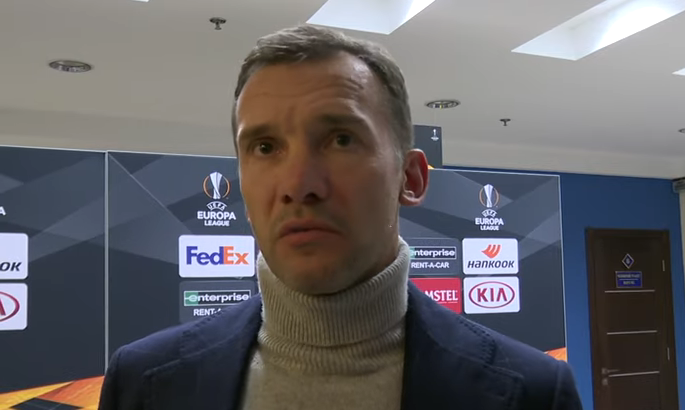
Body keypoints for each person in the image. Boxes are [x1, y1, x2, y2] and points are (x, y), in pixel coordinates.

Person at [98, 24, 583, 410]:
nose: (297, 185)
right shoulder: (141, 384)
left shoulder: (533, 393)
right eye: (265, 147)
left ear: (410, 178)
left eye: (341, 139)